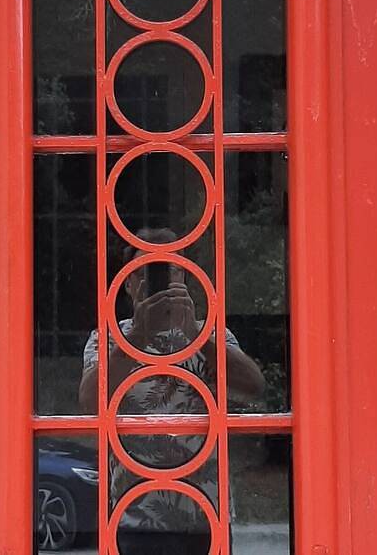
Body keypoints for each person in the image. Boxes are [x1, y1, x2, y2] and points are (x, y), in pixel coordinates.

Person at [78, 228, 266, 555]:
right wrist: (137, 336)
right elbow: (90, 401)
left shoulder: (211, 332)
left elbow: (253, 387)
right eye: (144, 273)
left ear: (187, 278)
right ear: (127, 284)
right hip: (132, 514)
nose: (157, 281)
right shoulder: (107, 336)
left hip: (205, 512)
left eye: (170, 270)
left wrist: (195, 333)